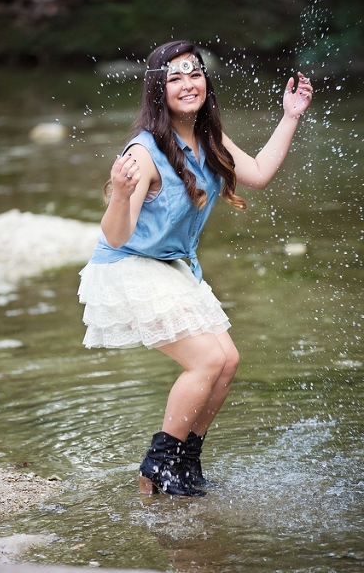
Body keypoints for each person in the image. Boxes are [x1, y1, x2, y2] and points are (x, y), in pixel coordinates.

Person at [78, 41, 312, 496]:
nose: (188, 84)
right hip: (130, 264)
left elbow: (259, 173)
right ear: (157, 90)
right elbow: (115, 237)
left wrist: (291, 115)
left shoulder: (208, 137)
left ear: (206, 81)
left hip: (170, 265)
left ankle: (185, 461)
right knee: (206, 359)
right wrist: (123, 195)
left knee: (228, 362)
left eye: (195, 73)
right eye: (175, 77)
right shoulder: (143, 153)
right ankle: (157, 466)